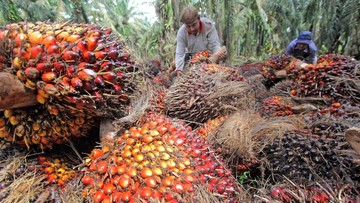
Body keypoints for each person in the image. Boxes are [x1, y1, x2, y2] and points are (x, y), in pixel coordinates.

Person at [174, 6, 226, 74]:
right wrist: (179, 70)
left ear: (198, 19)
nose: (192, 29)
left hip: (208, 56)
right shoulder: (181, 32)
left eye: (194, 25)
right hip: (192, 58)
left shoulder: (208, 26)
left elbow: (215, 45)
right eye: (188, 26)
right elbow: (180, 53)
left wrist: (216, 57)